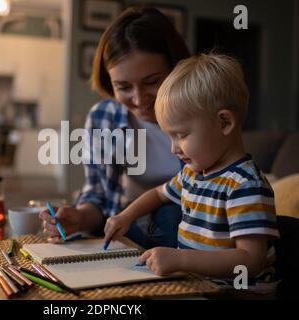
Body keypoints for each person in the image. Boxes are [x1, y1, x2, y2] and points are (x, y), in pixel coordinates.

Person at [103, 53, 280, 289]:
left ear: (224, 123)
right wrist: (126, 216)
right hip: (198, 284)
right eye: (169, 136)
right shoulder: (193, 174)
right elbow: (158, 194)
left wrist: (181, 259)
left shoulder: (244, 185)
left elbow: (251, 261)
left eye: (181, 135)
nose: (173, 148)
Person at [39, 6, 190, 247]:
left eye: (152, 81)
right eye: (123, 87)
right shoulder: (103, 118)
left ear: (175, 68)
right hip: (127, 224)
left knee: (171, 217)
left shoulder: (200, 114)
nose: (140, 100)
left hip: (190, 227)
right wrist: (79, 219)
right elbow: (98, 197)